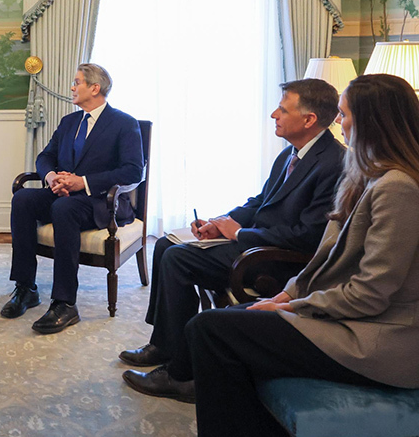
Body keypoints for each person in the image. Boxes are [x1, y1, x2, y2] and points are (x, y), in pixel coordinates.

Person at [185, 73, 419, 437]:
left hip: (376, 338)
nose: (338, 123)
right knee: (230, 316)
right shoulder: (366, 175)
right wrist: (288, 294)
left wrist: (291, 309)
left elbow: (371, 293)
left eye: (343, 115)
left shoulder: (398, 188)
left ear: (372, 120)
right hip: (346, 317)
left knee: (210, 329)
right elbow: (323, 261)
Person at [120, 78, 345, 393]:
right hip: (257, 241)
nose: (273, 115)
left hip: (274, 258)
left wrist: (239, 233)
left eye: (282, 109)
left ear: (308, 120)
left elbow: (308, 237)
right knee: (167, 244)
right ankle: (165, 344)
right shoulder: (291, 153)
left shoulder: (334, 164)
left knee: (178, 258)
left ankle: (182, 375)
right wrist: (221, 222)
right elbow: (259, 202)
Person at [2, 63, 144, 334]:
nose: (72, 87)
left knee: (64, 208)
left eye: (76, 82)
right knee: (22, 199)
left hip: (102, 201)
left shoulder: (124, 123)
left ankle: (65, 303)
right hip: (65, 194)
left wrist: (83, 182)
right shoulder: (69, 122)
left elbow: (133, 170)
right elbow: (45, 157)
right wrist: (53, 177)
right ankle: (26, 287)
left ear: (94, 88)